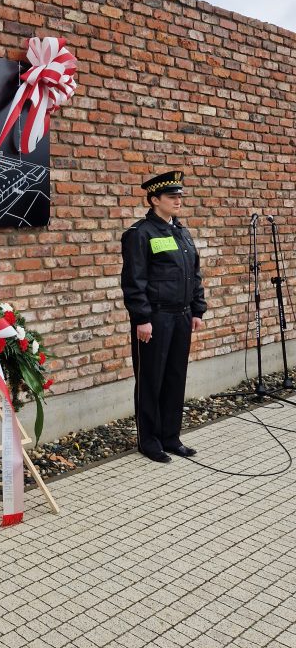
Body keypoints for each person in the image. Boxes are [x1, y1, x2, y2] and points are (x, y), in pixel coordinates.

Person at [120, 170, 207, 464]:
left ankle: (171, 437)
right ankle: (150, 441)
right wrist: (142, 318)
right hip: (154, 320)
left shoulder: (181, 232)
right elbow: (134, 280)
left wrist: (197, 309)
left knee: (174, 377)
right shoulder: (139, 234)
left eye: (180, 195)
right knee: (150, 380)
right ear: (155, 199)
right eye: (172, 196)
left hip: (181, 317)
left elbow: (193, 274)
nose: (178, 200)